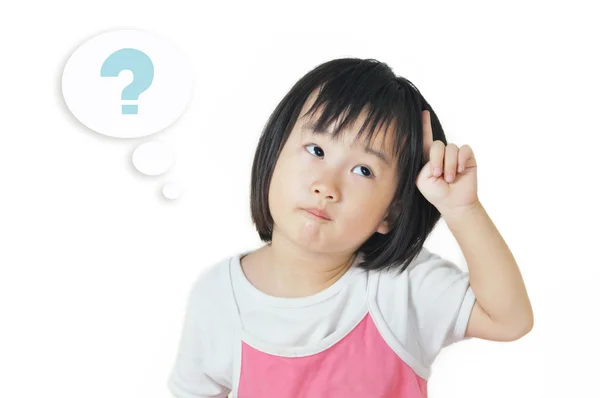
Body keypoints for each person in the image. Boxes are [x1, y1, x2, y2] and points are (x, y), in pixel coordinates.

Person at [167, 58, 534, 398]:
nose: (327, 185)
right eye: (316, 150)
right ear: (274, 150)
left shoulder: (403, 288)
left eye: (364, 170)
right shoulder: (217, 297)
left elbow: (509, 320)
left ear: (391, 213)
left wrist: (462, 209)